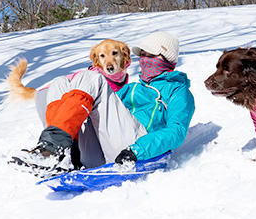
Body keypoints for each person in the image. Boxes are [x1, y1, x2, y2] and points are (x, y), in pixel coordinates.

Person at [17, 32, 196, 173]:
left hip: (136, 147)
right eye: (142, 55)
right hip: (105, 149)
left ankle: (54, 145)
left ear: (166, 59)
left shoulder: (179, 91)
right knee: (58, 83)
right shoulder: (133, 88)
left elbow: (177, 131)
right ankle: (59, 153)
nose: (143, 60)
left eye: (150, 55)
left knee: (94, 78)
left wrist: (137, 150)